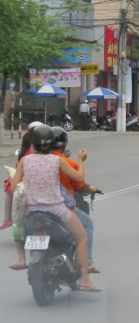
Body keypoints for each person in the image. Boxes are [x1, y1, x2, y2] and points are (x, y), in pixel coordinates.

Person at [9, 125, 100, 292]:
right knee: (82, 237)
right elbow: (79, 177)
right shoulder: (57, 160)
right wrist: (81, 161)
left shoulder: (24, 161)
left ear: (33, 143)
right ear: (51, 144)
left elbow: (14, 187)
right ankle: (85, 279)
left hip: (31, 211)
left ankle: (21, 258)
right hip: (56, 210)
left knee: (18, 227)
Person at [50, 127, 100, 274]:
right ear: (64, 144)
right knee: (88, 225)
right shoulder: (66, 163)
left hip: (36, 208)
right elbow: (80, 182)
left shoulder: (33, 160)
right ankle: (88, 263)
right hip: (60, 207)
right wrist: (80, 160)